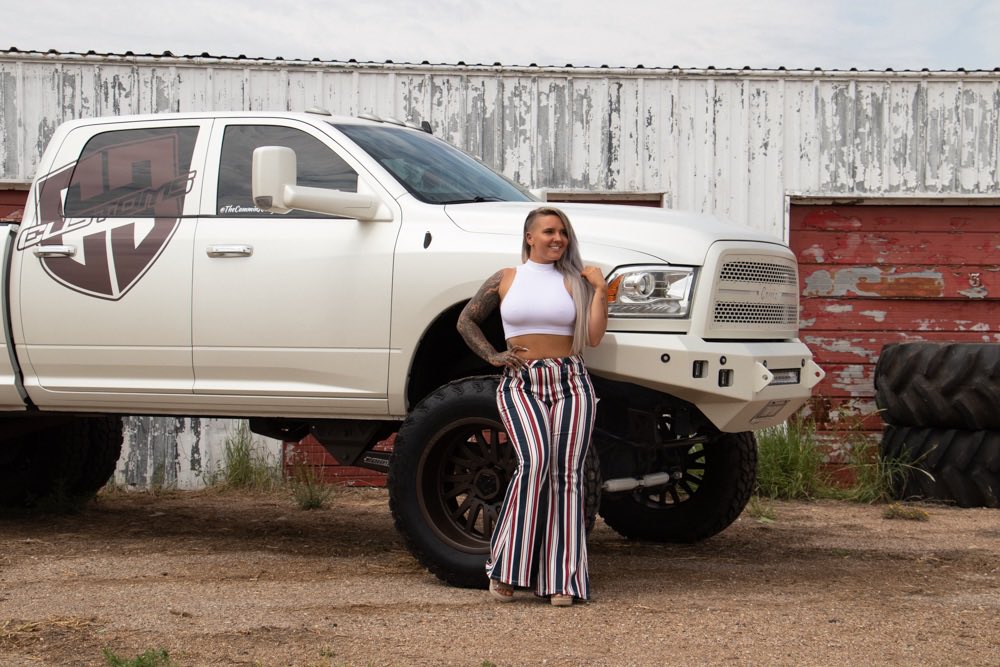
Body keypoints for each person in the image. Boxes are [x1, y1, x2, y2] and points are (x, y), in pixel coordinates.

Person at [456, 206, 608, 607]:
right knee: (535, 462)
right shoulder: (506, 278)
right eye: (549, 232)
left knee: (567, 476)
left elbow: (593, 337)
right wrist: (492, 356)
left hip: (570, 382)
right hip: (522, 382)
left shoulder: (576, 281)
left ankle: (563, 580)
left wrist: (601, 289)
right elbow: (466, 321)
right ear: (529, 237)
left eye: (563, 233)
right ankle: (507, 569)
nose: (558, 238)